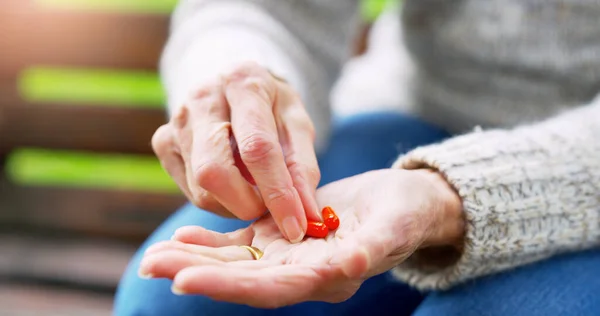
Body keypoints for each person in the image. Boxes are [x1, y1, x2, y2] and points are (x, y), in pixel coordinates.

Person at [114, 1, 600, 315]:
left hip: (583, 166)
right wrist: (238, 78)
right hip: (418, 107)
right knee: (170, 304)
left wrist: (451, 193)